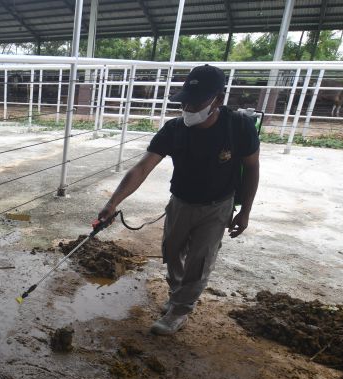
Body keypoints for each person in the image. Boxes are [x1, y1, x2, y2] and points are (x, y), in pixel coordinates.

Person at [97, 64, 260, 335]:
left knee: (200, 260)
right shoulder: (174, 129)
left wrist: (245, 212)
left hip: (217, 205)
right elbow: (141, 168)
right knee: (172, 251)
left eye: (196, 103)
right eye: (184, 101)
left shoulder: (239, 127)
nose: (188, 108)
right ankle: (177, 296)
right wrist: (113, 202)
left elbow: (252, 168)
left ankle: (180, 311)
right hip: (180, 201)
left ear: (218, 99)